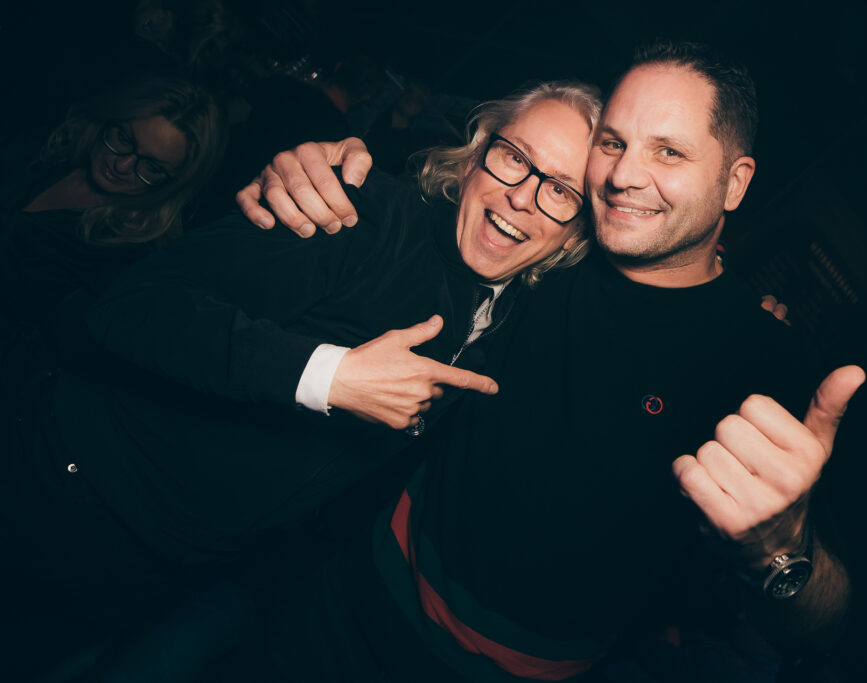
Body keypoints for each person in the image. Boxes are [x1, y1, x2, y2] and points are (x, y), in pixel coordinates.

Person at [229, 41, 863, 682]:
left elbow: (825, 625)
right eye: (613, 143)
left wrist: (780, 552)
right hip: (345, 596)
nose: (623, 175)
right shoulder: (553, 243)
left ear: (735, 182)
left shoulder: (767, 363)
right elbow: (447, 191)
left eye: (668, 152)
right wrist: (314, 167)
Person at [2, 81, 600, 598]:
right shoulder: (357, 208)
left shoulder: (515, 317)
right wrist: (325, 375)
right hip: (66, 487)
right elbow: (132, 306)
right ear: (474, 158)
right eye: (513, 158)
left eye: (562, 190)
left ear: (576, 232)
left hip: (186, 564)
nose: (522, 196)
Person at [0, 72, 226, 384]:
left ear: (173, 184)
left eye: (151, 166)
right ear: (112, 117)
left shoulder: (125, 256)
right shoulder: (49, 149)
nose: (121, 165)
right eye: (124, 139)